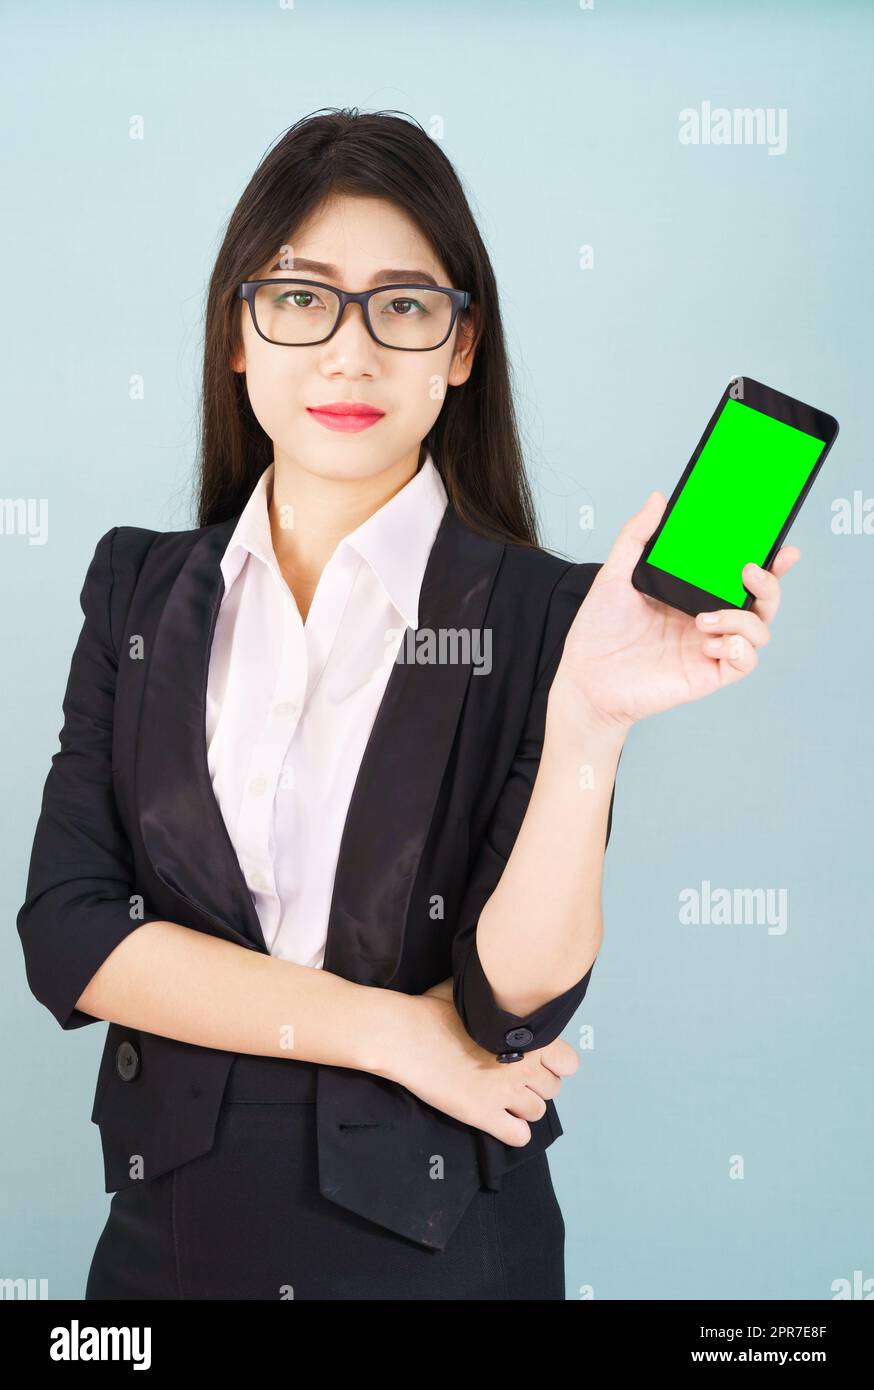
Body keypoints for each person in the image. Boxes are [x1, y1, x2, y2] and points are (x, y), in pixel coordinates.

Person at [16, 108, 798, 1301]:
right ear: (239, 332)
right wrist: (389, 1032)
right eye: (300, 296)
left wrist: (590, 719)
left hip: (439, 1251)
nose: (349, 352)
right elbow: (70, 935)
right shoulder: (138, 584)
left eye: (405, 304)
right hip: (160, 1254)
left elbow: (507, 1004)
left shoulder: (553, 616)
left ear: (462, 346)